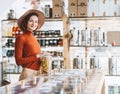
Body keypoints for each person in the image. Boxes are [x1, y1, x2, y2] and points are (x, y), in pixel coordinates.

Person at [15, 9, 46, 81]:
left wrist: (43, 55)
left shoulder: (34, 38)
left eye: (36, 22)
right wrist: (37, 56)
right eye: (31, 21)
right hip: (28, 74)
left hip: (38, 73)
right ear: (26, 22)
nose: (34, 24)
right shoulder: (21, 38)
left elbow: (35, 57)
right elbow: (18, 61)